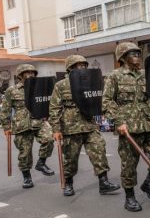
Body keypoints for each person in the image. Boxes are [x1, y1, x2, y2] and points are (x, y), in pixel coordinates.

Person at [102, 42, 150, 212]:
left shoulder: (145, 75)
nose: (137, 56)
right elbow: (107, 101)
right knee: (129, 164)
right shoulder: (115, 76)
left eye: (138, 53)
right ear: (123, 57)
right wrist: (118, 121)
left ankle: (148, 182)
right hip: (128, 126)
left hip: (148, 122)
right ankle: (130, 197)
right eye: (133, 53)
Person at [48, 55, 121, 196]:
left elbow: (101, 99)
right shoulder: (61, 85)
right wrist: (56, 129)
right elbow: (54, 108)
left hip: (89, 124)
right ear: (70, 68)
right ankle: (68, 183)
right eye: (79, 65)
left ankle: (103, 182)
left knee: (99, 150)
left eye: (84, 65)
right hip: (70, 127)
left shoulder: (91, 81)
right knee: (70, 158)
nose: (82, 67)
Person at [0, 64, 55, 188]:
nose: (31, 74)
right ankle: (27, 177)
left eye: (32, 72)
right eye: (27, 72)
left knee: (49, 139)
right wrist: (6, 127)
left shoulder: (39, 88)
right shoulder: (12, 90)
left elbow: (48, 103)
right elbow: (5, 110)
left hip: (38, 121)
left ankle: (41, 163)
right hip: (21, 125)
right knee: (25, 153)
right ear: (20, 75)